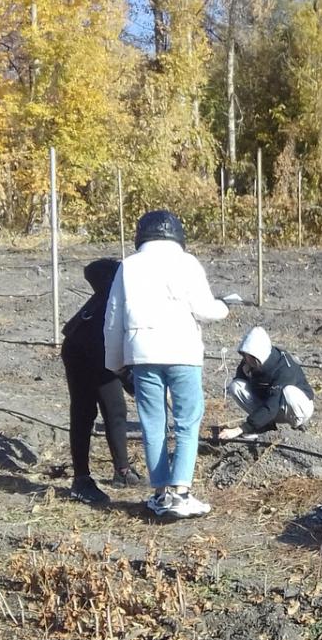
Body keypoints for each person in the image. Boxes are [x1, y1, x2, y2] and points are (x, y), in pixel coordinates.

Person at [104, 210, 229, 518]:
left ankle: (160, 493)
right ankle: (182, 492)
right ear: (177, 234)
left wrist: (115, 362)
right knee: (187, 420)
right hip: (182, 353)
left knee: (152, 424)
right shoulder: (186, 263)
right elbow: (204, 308)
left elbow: (113, 317)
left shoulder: (128, 266)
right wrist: (224, 307)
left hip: (143, 353)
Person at [61, 258, 141, 504]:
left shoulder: (137, 291)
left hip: (102, 347)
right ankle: (81, 481)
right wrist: (132, 383)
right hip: (81, 347)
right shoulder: (123, 282)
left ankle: (123, 472)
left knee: (115, 409)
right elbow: (92, 269)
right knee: (84, 411)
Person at [219, 326, 315, 441]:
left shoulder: (284, 369)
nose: (245, 359)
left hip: (295, 408)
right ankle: (265, 425)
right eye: (244, 355)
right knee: (236, 386)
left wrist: (241, 429)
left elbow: (272, 405)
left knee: (289, 391)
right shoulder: (249, 363)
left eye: (247, 356)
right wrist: (247, 375)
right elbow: (241, 383)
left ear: (257, 356)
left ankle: (295, 431)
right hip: (271, 408)